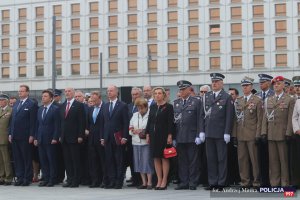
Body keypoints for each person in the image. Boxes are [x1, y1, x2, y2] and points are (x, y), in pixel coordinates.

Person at [200, 73, 234, 191]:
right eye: (213, 82)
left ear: (221, 83)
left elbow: (229, 116)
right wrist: (201, 131)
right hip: (209, 132)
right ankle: (212, 182)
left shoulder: (226, 97)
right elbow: (202, 115)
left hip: (220, 133)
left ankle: (221, 182)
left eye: (216, 82)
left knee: (221, 159)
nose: (214, 84)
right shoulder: (206, 96)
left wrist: (227, 132)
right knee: (211, 159)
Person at [261, 76, 295, 187]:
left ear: (284, 85)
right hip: (271, 134)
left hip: (283, 133)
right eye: (275, 84)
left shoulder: (289, 99)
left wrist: (289, 133)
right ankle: (274, 183)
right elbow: (265, 118)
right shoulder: (268, 100)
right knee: (273, 161)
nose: (276, 85)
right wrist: (263, 132)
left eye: (279, 84)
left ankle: (285, 183)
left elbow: (291, 118)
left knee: (284, 161)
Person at [232, 77, 262, 189]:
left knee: (254, 159)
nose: (245, 88)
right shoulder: (238, 100)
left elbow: (259, 119)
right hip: (240, 134)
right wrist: (234, 135)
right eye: (243, 86)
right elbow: (235, 119)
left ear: (251, 87)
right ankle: (245, 182)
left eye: (247, 86)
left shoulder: (257, 100)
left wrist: (258, 134)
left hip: (252, 134)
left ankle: (256, 181)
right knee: (242, 159)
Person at [173, 80, 201, 190]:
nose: (181, 91)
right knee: (182, 161)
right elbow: (174, 122)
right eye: (180, 89)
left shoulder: (196, 102)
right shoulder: (176, 102)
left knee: (193, 161)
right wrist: (174, 137)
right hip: (180, 136)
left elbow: (199, 119)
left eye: (183, 89)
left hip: (192, 136)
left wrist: (199, 134)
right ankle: (184, 182)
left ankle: (193, 182)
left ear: (190, 89)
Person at [145, 87, 174, 190]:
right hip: (153, 136)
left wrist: (170, 135)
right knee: (156, 157)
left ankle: (165, 180)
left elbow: (171, 123)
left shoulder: (169, 107)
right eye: (155, 93)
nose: (157, 95)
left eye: (159, 93)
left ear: (163, 95)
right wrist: (147, 134)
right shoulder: (152, 106)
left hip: (164, 135)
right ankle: (159, 180)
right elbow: (149, 121)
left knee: (164, 157)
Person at [101, 85, 129, 189]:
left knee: (119, 160)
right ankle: (111, 180)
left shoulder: (122, 105)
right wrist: (102, 137)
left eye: (111, 91)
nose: (109, 92)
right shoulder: (105, 105)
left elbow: (126, 122)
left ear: (117, 92)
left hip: (118, 138)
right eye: (108, 91)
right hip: (107, 137)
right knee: (109, 160)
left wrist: (125, 137)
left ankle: (118, 181)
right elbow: (103, 123)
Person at [9, 85, 38, 186]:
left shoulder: (32, 104)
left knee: (26, 157)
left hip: (25, 136)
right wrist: (10, 133)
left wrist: (32, 135)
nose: (20, 93)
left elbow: (33, 121)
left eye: (22, 91)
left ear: (27, 92)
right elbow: (12, 120)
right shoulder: (16, 103)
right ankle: (20, 177)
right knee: (17, 158)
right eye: (19, 91)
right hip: (15, 135)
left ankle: (27, 178)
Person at [59, 88, 85, 188]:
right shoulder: (63, 105)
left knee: (75, 160)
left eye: (69, 91)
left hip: (74, 137)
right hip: (64, 137)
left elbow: (81, 122)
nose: (67, 93)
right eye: (66, 92)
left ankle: (76, 180)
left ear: (74, 93)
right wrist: (60, 135)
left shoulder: (79, 105)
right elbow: (61, 122)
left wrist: (80, 135)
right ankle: (69, 179)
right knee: (67, 160)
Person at [34, 90, 60, 187]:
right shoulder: (40, 109)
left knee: (51, 159)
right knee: (43, 160)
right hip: (41, 138)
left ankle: (52, 179)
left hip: (50, 139)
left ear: (51, 98)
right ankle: (46, 177)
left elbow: (57, 125)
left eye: (45, 96)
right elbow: (37, 124)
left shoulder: (55, 109)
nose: (43, 98)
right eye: (42, 96)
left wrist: (55, 137)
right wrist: (36, 137)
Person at [129, 98, 153, 190]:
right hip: (135, 141)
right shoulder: (135, 115)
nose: (140, 110)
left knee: (147, 162)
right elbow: (130, 126)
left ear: (146, 107)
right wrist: (133, 131)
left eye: (142, 108)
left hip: (146, 142)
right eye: (138, 108)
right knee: (138, 162)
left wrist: (143, 131)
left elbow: (150, 127)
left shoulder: (150, 114)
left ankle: (150, 182)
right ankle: (144, 182)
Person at [256, 73, 274, 187]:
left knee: (272, 158)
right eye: (260, 82)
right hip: (258, 131)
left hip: (271, 130)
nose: (260, 84)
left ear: (268, 83)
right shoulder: (257, 96)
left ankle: (272, 181)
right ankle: (263, 181)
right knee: (261, 158)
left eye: (263, 82)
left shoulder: (273, 95)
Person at [86, 91, 106, 188]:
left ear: (99, 98)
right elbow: (89, 123)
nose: (92, 101)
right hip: (92, 138)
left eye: (94, 99)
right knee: (93, 161)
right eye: (91, 99)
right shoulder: (90, 109)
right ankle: (95, 180)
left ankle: (104, 180)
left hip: (101, 138)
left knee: (102, 160)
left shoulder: (105, 107)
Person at [126, 87, 143, 187]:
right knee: (132, 158)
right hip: (130, 137)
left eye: (136, 94)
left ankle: (142, 179)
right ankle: (135, 178)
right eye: (133, 94)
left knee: (141, 158)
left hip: (141, 137)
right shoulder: (129, 106)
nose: (134, 96)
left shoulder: (143, 106)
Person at [227, 88, 240, 186]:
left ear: (236, 95)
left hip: (239, 134)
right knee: (229, 157)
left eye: (232, 94)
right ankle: (230, 179)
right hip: (228, 135)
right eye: (229, 94)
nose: (230, 96)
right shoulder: (226, 105)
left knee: (238, 158)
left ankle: (238, 178)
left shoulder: (239, 104)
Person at [0, 94, 13, 185]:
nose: (0, 102)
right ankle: (2, 176)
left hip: (4, 138)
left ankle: (8, 177)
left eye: (2, 100)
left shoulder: (10, 110)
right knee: (0, 160)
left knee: (6, 159)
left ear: (6, 101)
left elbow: (11, 125)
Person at [291, 76, 300, 188]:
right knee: (297, 159)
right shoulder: (297, 101)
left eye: (299, 86)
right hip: (298, 133)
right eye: (296, 86)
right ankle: (297, 182)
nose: (298, 88)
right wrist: (297, 129)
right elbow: (294, 117)